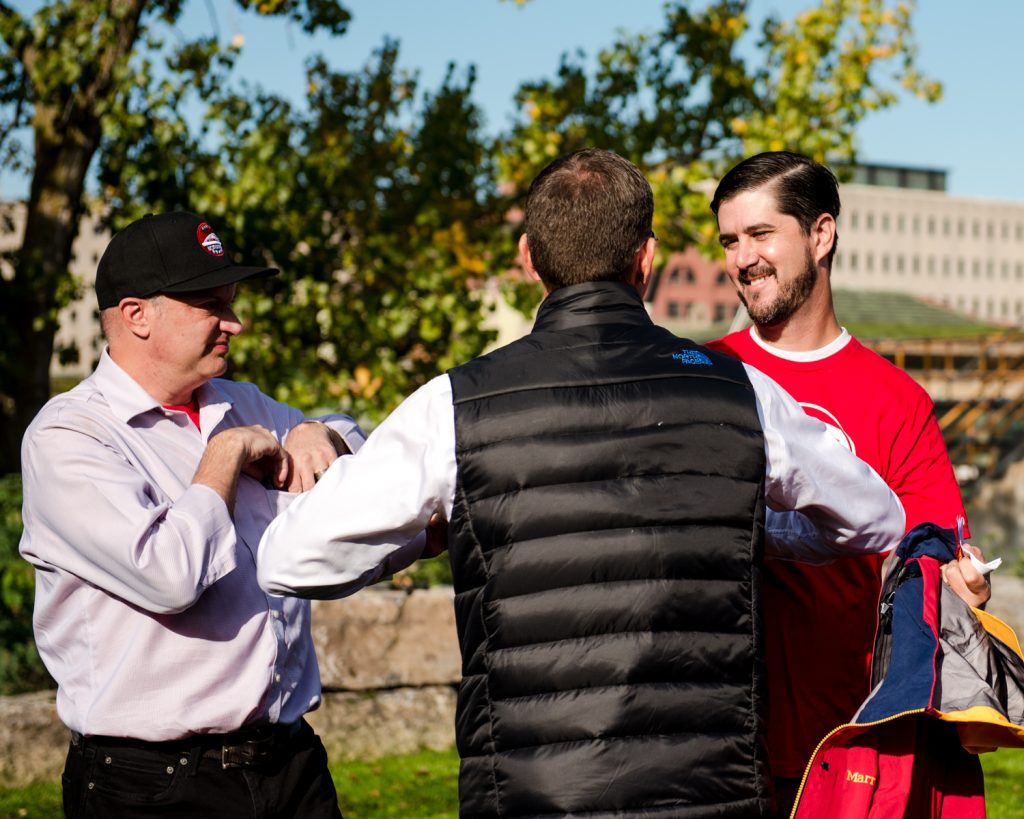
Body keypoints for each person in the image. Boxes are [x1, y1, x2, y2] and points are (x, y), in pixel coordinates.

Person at [257, 148, 907, 817]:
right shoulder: (742, 391)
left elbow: (287, 558)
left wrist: (433, 534)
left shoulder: (456, 403)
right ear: (646, 260)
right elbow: (876, 517)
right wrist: (740, 519)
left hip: (535, 796)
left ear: (527, 259)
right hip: (710, 791)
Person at [18, 212, 419, 818]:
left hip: (290, 765)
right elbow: (168, 576)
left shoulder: (240, 402)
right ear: (136, 316)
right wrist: (225, 456)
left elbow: (360, 451)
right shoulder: (69, 436)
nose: (236, 323)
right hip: (152, 786)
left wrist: (321, 433)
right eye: (212, 305)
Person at [707, 151, 991, 811]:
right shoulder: (705, 375)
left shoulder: (898, 400)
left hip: (858, 746)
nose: (741, 258)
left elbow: (944, 565)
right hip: (725, 737)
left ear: (821, 234)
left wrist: (971, 586)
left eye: (760, 234)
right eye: (728, 240)